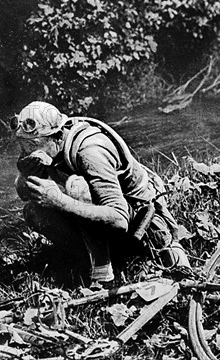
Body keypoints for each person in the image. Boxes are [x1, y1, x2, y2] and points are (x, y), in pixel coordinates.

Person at [12, 101, 190, 287]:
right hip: (101, 218)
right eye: (22, 146)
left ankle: (103, 274)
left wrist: (60, 201)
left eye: (32, 145)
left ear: (56, 136)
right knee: (33, 211)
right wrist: (26, 172)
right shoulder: (49, 147)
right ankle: (88, 258)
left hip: (138, 221)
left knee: (76, 186)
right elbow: (25, 194)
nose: (27, 152)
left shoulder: (90, 150)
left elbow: (119, 220)